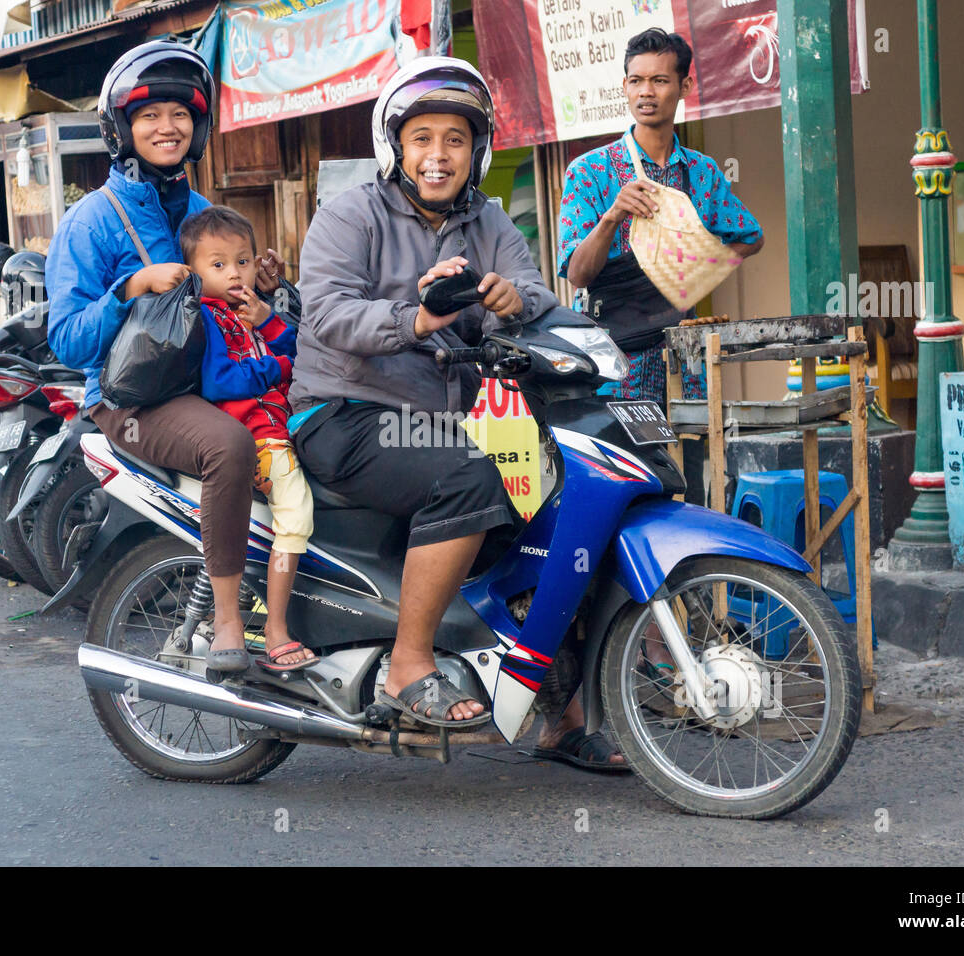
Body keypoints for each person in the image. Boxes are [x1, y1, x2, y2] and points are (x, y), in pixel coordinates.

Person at [290, 57, 572, 729]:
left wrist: (511, 298)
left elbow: (534, 290)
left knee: (552, 500)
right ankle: (408, 665)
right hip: (343, 412)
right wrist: (414, 318)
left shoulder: (489, 221)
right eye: (422, 139)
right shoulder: (349, 214)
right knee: (473, 477)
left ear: (476, 151)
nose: (438, 155)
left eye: (454, 139)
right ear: (396, 147)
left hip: (443, 416)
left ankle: (559, 703)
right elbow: (326, 312)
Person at [46, 40, 282, 674]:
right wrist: (130, 289)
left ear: (198, 126)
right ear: (122, 127)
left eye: (180, 114)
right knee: (229, 448)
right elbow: (65, 340)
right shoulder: (90, 221)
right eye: (149, 115)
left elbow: (234, 314)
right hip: (131, 402)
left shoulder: (208, 216)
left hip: (213, 382)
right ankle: (229, 619)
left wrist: (262, 289)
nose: (167, 127)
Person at [558, 27, 764, 408]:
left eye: (659, 81)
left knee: (690, 461)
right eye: (636, 81)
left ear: (684, 87)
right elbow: (578, 274)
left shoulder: (700, 172)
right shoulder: (589, 171)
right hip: (610, 366)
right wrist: (612, 216)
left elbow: (751, 237)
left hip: (680, 360)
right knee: (620, 465)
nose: (646, 92)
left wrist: (699, 265)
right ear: (624, 87)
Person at [180, 205, 316, 672]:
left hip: (285, 425)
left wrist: (267, 316)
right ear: (195, 274)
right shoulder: (208, 317)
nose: (234, 273)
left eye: (243, 261)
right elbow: (220, 381)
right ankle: (277, 630)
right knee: (295, 513)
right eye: (218, 265)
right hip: (257, 437)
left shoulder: (249, 310)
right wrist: (278, 368)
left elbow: (300, 349)